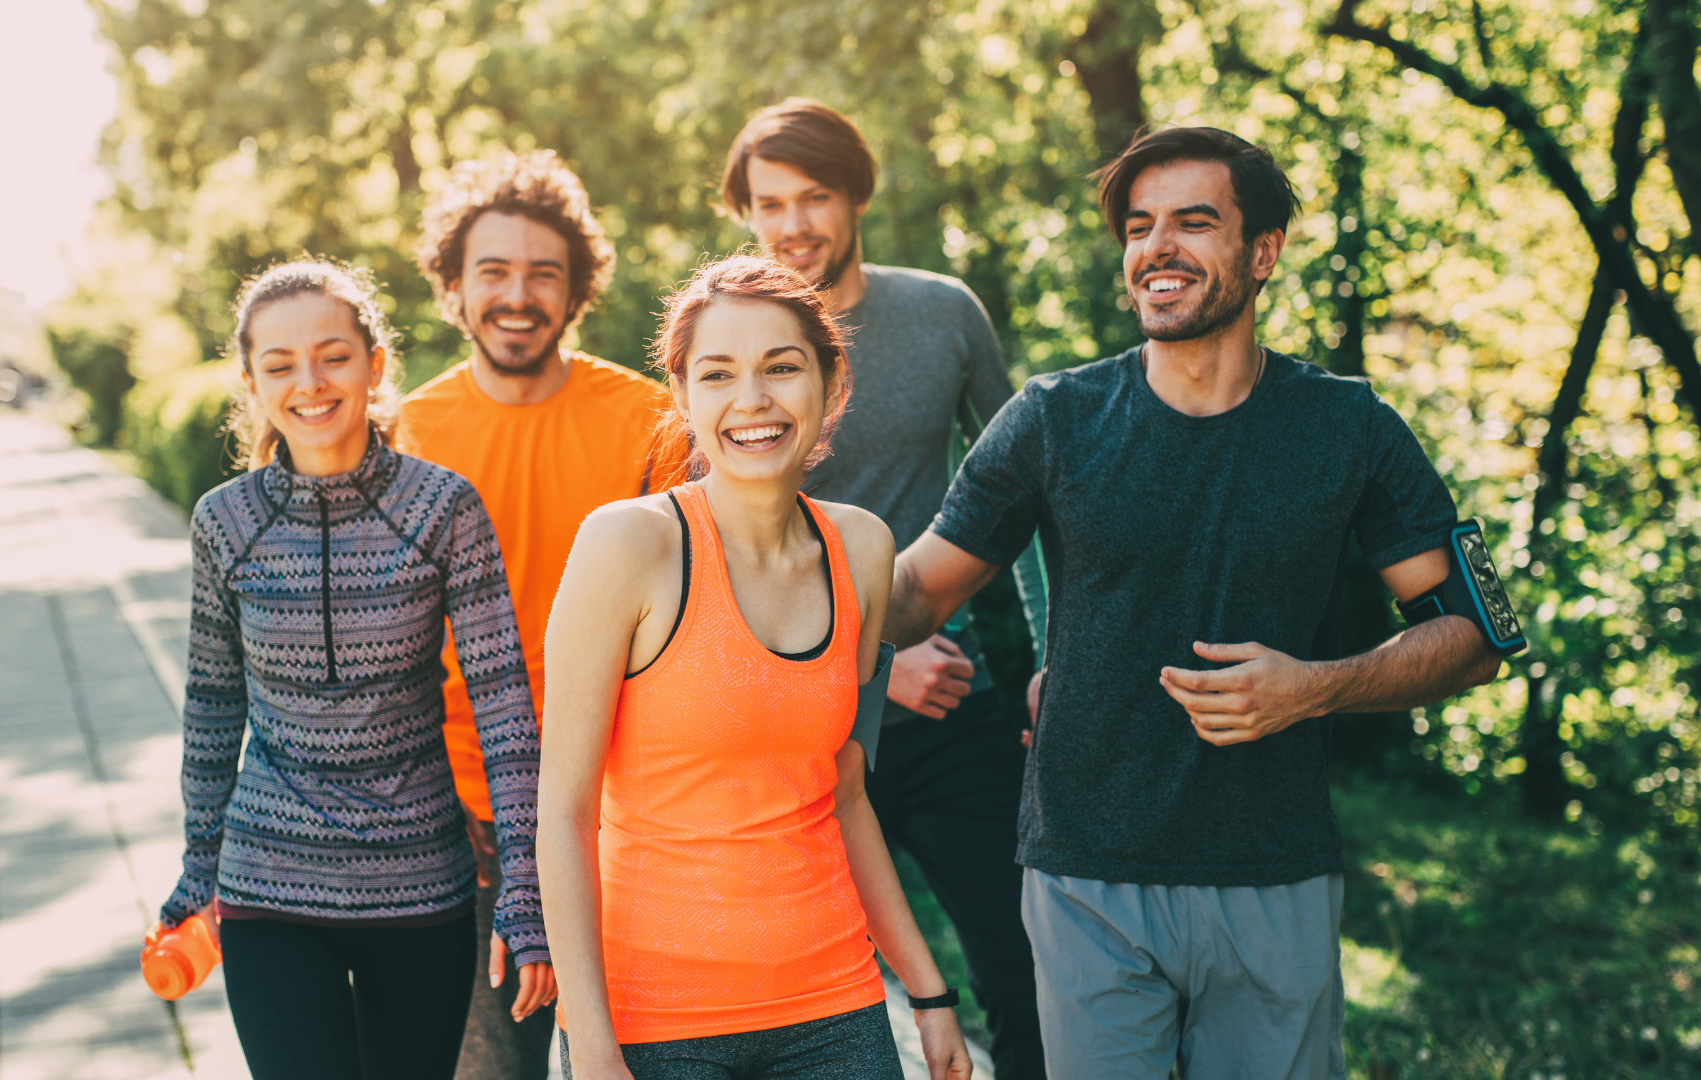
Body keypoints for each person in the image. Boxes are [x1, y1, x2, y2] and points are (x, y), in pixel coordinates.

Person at [884, 127, 1514, 1078]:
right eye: (1139, 227)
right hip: (1085, 874)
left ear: (1263, 252)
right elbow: (914, 592)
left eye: (1193, 221)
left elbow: (1472, 636)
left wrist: (1314, 688)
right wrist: (782, 549)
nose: (1156, 248)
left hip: (1275, 872)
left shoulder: (1349, 426)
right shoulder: (1054, 419)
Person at [539, 255, 972, 1080]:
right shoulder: (626, 546)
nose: (753, 400)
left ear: (832, 383)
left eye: (781, 367)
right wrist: (590, 1041)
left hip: (834, 1008)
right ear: (682, 394)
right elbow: (563, 813)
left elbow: (846, 793)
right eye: (718, 374)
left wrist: (928, 990)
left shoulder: (863, 550)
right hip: (656, 1020)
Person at [159, 261, 555, 1080]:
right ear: (251, 383)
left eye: (333, 356)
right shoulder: (224, 522)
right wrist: (199, 866)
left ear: (375, 365)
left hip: (421, 887)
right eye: (280, 365)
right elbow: (212, 706)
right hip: (269, 885)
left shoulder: (444, 508)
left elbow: (503, 706)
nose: (309, 383)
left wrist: (524, 885)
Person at [720, 97, 1044, 1078]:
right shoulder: (729, 340)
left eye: (814, 197)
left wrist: (1056, 659)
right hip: (798, 731)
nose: (793, 225)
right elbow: (722, 550)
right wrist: (873, 662)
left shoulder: (943, 314)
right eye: (769, 204)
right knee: (798, 1000)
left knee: (1026, 969)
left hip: (951, 707)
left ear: (858, 195)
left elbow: (1031, 496)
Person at [395, 149, 683, 1077]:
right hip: (463, 815)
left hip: (629, 808)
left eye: (543, 273)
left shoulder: (650, 420)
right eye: (493, 271)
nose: (517, 296)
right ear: (453, 284)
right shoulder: (407, 432)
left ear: (576, 288)